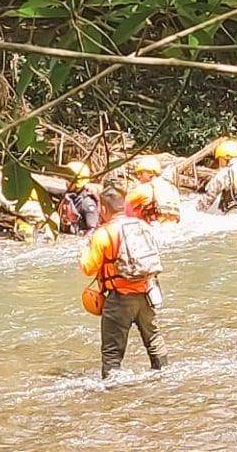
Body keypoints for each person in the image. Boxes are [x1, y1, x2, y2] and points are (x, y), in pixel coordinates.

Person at [79, 187, 168, 379]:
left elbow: (88, 268)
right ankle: (164, 377)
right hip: (147, 293)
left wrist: (85, 249)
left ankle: (112, 390)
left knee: (112, 354)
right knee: (154, 341)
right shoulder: (143, 226)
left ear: (103, 209)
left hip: (119, 299)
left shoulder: (103, 234)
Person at [125, 156, 181, 224]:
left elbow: (124, 207)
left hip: (153, 229)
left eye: (141, 173)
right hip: (174, 229)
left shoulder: (144, 188)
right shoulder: (173, 189)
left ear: (150, 173)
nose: (138, 176)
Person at [58, 161, 102, 235]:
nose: (66, 182)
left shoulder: (87, 204)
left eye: (69, 180)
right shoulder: (69, 198)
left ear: (78, 183)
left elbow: (92, 231)